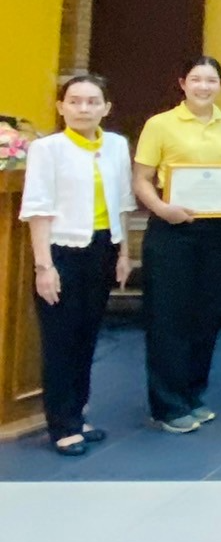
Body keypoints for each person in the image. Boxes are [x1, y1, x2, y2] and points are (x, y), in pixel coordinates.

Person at [131, 56, 221, 433]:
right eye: (197, 79)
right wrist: (163, 209)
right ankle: (166, 405)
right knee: (169, 318)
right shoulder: (161, 124)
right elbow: (142, 179)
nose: (204, 86)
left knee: (206, 317)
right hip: (173, 230)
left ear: (220, 84)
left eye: (212, 80)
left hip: (219, 232)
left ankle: (192, 394)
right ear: (182, 83)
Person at [20, 75, 135, 455]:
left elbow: (122, 201)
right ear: (61, 107)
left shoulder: (116, 145)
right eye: (75, 101)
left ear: (106, 108)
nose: (83, 108)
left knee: (88, 337)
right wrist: (43, 267)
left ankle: (78, 414)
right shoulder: (47, 149)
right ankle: (61, 424)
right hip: (61, 250)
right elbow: (37, 208)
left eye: (91, 102)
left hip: (103, 247)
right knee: (60, 340)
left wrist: (123, 253)